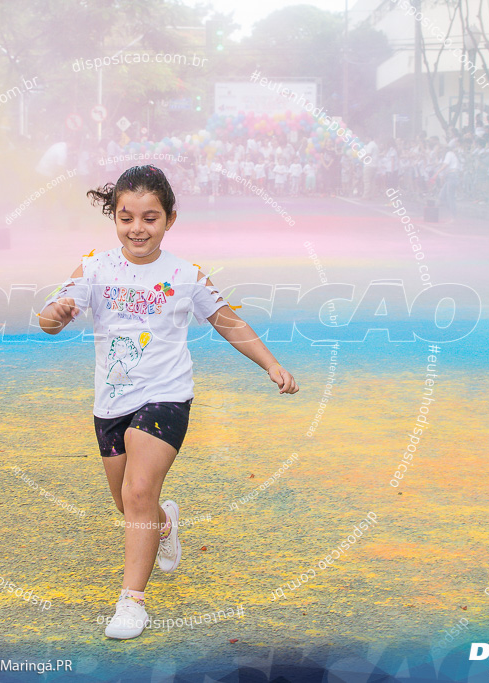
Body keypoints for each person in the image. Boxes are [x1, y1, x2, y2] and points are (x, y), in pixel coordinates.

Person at [39, 165, 299, 640]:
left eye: (150, 218)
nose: (138, 228)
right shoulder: (94, 267)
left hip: (166, 396)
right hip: (111, 401)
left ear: (170, 219)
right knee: (129, 505)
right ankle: (165, 523)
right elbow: (52, 318)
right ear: (114, 219)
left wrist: (271, 364)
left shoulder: (185, 274)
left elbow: (227, 321)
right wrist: (52, 314)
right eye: (126, 217)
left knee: (139, 494)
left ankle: (131, 602)